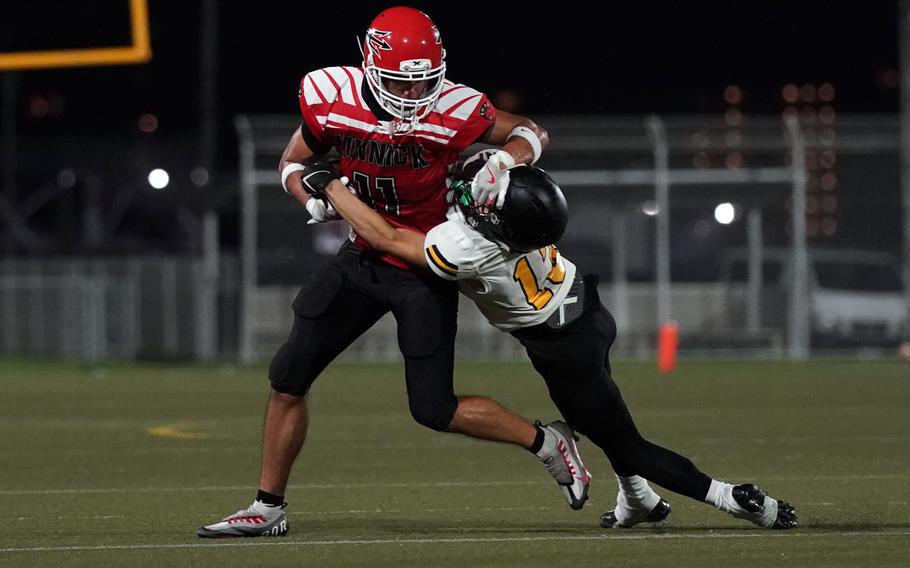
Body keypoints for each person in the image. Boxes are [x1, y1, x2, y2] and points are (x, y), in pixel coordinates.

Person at [198, 7, 589, 539]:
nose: (412, 97)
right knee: (288, 376)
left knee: (433, 408)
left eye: (424, 82)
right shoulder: (332, 96)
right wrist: (305, 196)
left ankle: (547, 442)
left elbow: (528, 130)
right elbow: (294, 162)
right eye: (401, 84)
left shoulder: (453, 107)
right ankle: (267, 507)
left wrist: (507, 160)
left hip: (424, 263)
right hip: (361, 256)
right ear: (370, 64)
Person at [309, 152, 800, 530]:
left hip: (564, 348)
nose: (479, 193)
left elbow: (389, 239)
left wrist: (331, 186)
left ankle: (731, 497)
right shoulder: (519, 218)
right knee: (609, 417)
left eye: (489, 198)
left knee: (624, 443)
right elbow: (504, 160)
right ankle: (636, 500)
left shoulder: (469, 246)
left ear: (500, 222)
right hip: (588, 312)